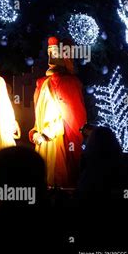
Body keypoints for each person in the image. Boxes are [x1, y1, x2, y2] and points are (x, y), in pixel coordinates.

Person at [29, 37, 87, 187]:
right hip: (42, 142)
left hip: (58, 144)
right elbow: (39, 114)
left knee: (57, 180)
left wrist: (48, 133)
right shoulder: (42, 83)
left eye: (54, 53)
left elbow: (72, 120)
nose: (50, 59)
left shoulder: (69, 83)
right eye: (49, 53)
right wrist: (36, 131)